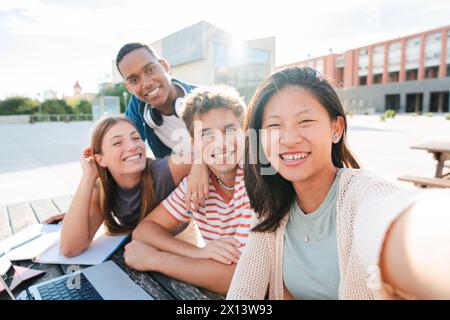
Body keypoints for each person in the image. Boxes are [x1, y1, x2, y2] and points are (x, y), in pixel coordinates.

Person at [226, 67, 450, 300]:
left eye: (305, 121)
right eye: (274, 126)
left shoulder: (365, 193)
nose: (290, 139)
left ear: (336, 128)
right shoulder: (271, 206)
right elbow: (243, 292)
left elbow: (397, 223)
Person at [123, 86, 255, 295]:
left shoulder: (256, 179)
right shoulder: (196, 185)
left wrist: (155, 259)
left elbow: (242, 279)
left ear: (246, 133)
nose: (220, 144)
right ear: (195, 144)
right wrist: (197, 253)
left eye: (229, 130)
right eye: (207, 134)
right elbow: (144, 230)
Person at [60, 116, 201, 257]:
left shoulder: (165, 170)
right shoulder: (103, 190)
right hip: (140, 249)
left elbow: (209, 156)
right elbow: (70, 248)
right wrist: (88, 176)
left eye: (135, 138)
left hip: (181, 243)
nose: (132, 146)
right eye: (117, 143)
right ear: (100, 159)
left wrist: (200, 167)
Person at [116, 42, 209, 210]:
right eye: (134, 80)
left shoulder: (208, 100)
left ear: (164, 66)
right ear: (128, 87)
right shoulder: (139, 105)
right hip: (184, 190)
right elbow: (118, 148)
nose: (146, 83)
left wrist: (201, 161)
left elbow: (240, 142)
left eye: (150, 69)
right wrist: (86, 204)